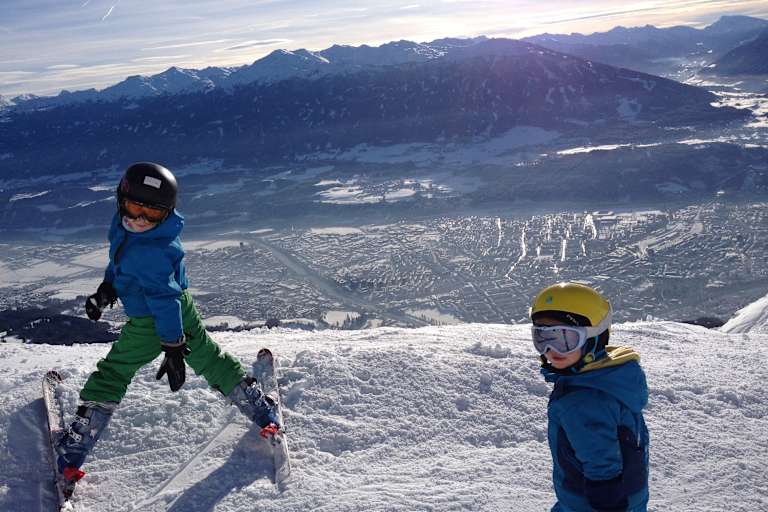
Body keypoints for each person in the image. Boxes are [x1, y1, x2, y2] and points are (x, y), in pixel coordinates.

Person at [55, 162, 280, 490]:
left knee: (115, 371)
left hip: (156, 320)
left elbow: (162, 300)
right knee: (208, 357)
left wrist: (172, 347)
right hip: (182, 308)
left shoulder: (153, 250)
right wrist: (107, 291)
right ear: (122, 201)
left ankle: (77, 441)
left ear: (166, 213)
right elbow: (121, 263)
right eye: (135, 207)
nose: (140, 220)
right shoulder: (127, 229)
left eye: (152, 214)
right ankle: (256, 404)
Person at [530, 282, 649, 512]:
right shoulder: (608, 378)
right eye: (542, 338)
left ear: (594, 339)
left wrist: (606, 498)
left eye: (564, 339)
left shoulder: (582, 400)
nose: (551, 350)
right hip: (624, 493)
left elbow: (600, 460)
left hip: (594, 501)